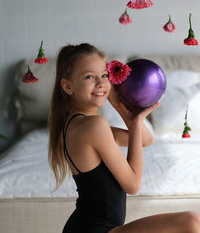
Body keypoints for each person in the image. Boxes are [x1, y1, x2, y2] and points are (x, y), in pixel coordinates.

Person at [48, 43, 200, 233]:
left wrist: (123, 110)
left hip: (87, 227)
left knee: (194, 221)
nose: (100, 83)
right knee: (191, 222)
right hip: (98, 230)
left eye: (104, 75)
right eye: (89, 77)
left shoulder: (79, 124)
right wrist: (135, 122)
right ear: (68, 86)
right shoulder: (94, 126)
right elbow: (133, 184)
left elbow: (145, 140)